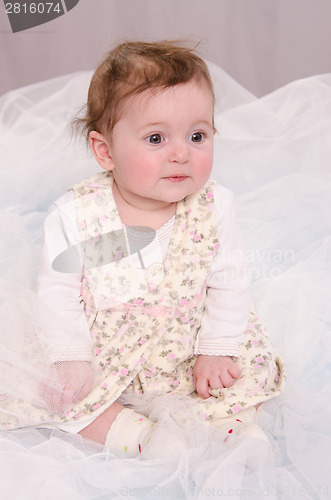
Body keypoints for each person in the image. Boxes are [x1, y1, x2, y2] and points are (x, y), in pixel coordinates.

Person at [7, 41, 285, 458]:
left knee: (247, 366)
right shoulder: (77, 213)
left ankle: (232, 424)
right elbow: (58, 293)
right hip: (106, 348)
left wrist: (215, 349)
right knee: (51, 393)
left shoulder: (214, 205)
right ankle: (135, 436)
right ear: (106, 151)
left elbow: (229, 282)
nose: (180, 154)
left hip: (190, 340)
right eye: (156, 138)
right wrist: (71, 356)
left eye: (197, 136)